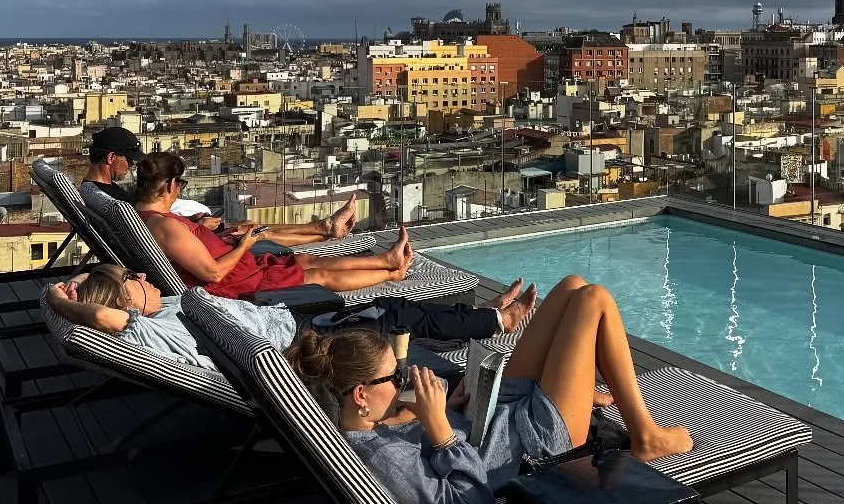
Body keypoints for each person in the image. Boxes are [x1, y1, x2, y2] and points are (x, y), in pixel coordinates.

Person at [287, 274, 693, 504]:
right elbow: (474, 503)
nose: (404, 378)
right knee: (594, 299)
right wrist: (443, 432)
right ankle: (645, 435)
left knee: (570, 287)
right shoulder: (383, 463)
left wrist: (449, 407)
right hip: (534, 437)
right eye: (393, 377)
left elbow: (404, 433)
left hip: (495, 414)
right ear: (361, 394)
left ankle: (580, 386)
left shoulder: (362, 425)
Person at [43, 264, 537, 371]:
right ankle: (499, 323)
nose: (141, 276)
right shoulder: (146, 325)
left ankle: (484, 315)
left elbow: (110, 298)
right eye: (132, 278)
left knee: (390, 309)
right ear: (125, 302)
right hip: (304, 348)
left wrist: (71, 288)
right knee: (397, 312)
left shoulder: (167, 307)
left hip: (288, 323)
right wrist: (65, 301)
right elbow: (108, 318)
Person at [134, 151, 423, 298]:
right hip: (242, 284)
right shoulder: (163, 225)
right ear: (170, 184)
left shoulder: (152, 218)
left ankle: (386, 259)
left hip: (245, 270)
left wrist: (202, 227)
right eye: (180, 184)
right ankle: (390, 275)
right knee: (317, 276)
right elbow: (214, 273)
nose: (180, 190)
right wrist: (247, 243)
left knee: (304, 259)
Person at [81, 126, 351, 248]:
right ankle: (325, 230)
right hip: (173, 242)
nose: (130, 166)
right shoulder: (105, 195)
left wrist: (191, 220)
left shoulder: (94, 191)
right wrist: (192, 225)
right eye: (128, 159)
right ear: (110, 158)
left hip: (166, 235)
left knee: (247, 224)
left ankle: (324, 229)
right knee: (251, 231)